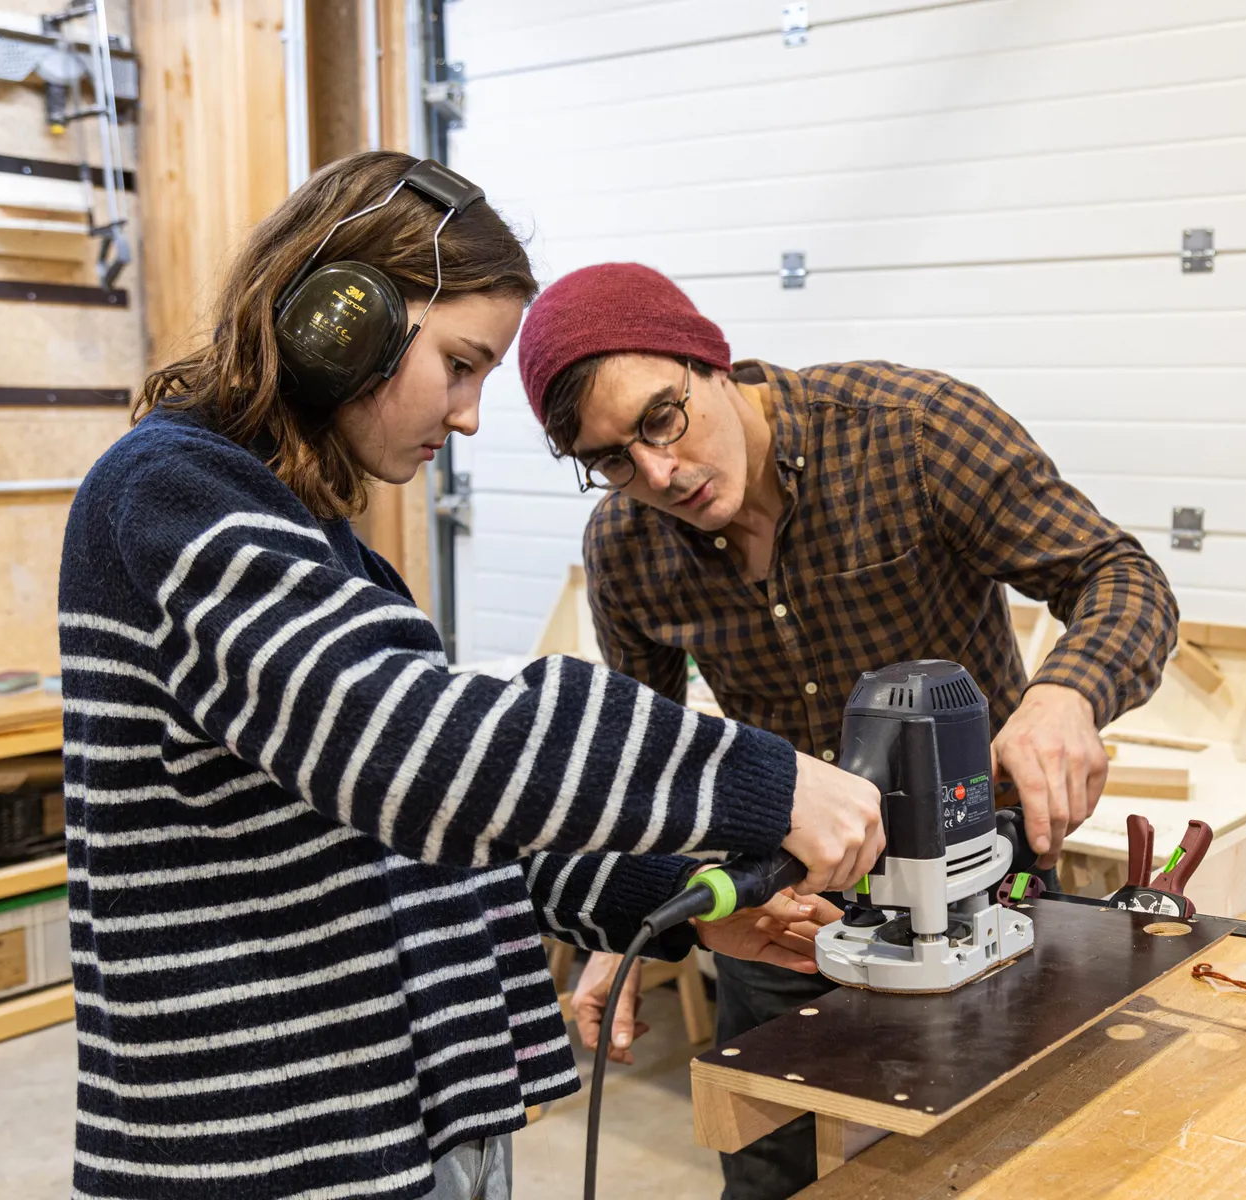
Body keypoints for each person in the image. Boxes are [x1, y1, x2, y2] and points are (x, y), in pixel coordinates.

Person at [58, 153, 884, 1200]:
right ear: (340, 321)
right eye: (460, 364)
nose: (467, 419)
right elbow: (413, 751)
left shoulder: (323, 550)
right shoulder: (170, 493)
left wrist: (674, 903)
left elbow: (426, 841)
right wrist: (771, 781)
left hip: (404, 1125)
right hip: (278, 1154)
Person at [516, 262, 1180, 1199]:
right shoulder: (626, 545)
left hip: (983, 895)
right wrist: (613, 916)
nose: (657, 474)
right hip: (790, 917)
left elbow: (1121, 575)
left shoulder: (912, 433)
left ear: (708, 360)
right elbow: (652, 755)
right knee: (773, 1180)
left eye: (662, 419)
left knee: (1005, 1168)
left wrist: (1066, 695)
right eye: (614, 459)